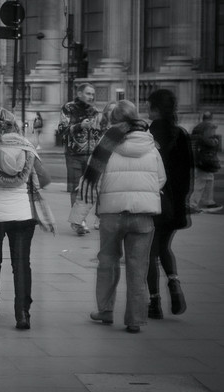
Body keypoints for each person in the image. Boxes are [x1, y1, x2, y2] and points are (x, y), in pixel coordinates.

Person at [77, 100, 166, 333]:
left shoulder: (105, 146)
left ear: (113, 122)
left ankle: (105, 310)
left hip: (111, 213)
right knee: (138, 267)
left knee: (107, 262)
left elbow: (91, 182)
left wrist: (80, 213)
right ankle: (135, 320)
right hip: (143, 215)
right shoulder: (152, 147)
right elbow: (160, 179)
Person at [0, 108, 52, 330]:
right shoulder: (27, 148)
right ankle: (22, 313)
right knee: (21, 264)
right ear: (14, 125)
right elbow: (46, 179)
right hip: (22, 213)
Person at [146, 89, 193, 319]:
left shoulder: (149, 133)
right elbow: (188, 173)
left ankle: (154, 302)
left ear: (155, 108)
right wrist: (182, 201)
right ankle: (174, 283)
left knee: (149, 253)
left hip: (155, 201)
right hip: (175, 204)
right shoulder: (181, 134)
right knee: (165, 247)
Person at [58, 83, 102, 235]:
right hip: (74, 154)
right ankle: (78, 222)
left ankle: (86, 218)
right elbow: (61, 131)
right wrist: (79, 126)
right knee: (76, 187)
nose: (91, 96)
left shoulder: (94, 111)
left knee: (91, 188)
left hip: (91, 155)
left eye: (92, 94)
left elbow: (98, 133)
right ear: (79, 93)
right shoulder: (68, 108)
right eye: (88, 93)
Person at [189, 111, 222, 213]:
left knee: (206, 180)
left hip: (199, 158)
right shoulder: (209, 127)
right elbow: (209, 141)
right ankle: (193, 204)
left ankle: (208, 201)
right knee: (203, 181)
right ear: (211, 118)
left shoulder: (197, 127)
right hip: (206, 158)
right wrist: (215, 142)